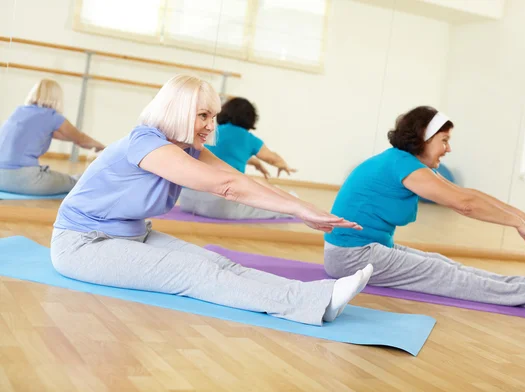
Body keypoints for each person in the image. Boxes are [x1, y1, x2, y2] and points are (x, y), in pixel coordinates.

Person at [50, 74, 372, 325]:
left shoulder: (188, 147)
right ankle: (315, 304)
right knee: (196, 274)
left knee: (219, 263)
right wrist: (298, 208)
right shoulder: (145, 142)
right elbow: (227, 186)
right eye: (203, 115)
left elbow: (241, 180)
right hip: (82, 243)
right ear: (177, 112)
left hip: (132, 235)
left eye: (213, 116)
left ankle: (321, 297)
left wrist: (301, 207)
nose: (211, 125)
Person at [323, 105, 525, 309]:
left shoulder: (402, 161)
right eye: (444, 140)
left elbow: (466, 194)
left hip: (361, 251)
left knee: (442, 263)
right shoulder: (403, 165)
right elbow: (465, 205)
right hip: (352, 257)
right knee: (441, 272)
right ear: (424, 138)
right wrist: (517, 223)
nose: (448, 148)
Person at [179, 97, 297, 220]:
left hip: (187, 200)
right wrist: (283, 164)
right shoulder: (248, 138)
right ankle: (292, 203)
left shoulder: (210, 131)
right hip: (219, 206)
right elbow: (272, 158)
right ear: (250, 119)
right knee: (263, 201)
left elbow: (218, 155)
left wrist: (253, 162)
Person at [0, 79, 105, 195]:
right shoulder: (52, 116)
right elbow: (81, 139)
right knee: (73, 181)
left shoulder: (19, 111)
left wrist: (78, 140)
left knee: (59, 178)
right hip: (25, 179)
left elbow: (60, 135)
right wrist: (103, 147)